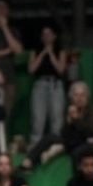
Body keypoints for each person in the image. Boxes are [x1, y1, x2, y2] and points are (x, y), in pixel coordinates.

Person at [27, 24, 68, 152]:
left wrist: (51, 53)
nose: (46, 37)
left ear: (54, 36)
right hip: (40, 85)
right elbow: (31, 69)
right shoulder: (35, 50)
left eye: (49, 34)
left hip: (56, 85)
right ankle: (35, 148)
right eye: (44, 34)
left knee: (57, 118)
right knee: (38, 118)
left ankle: (55, 147)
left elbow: (61, 70)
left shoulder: (60, 51)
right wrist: (43, 53)